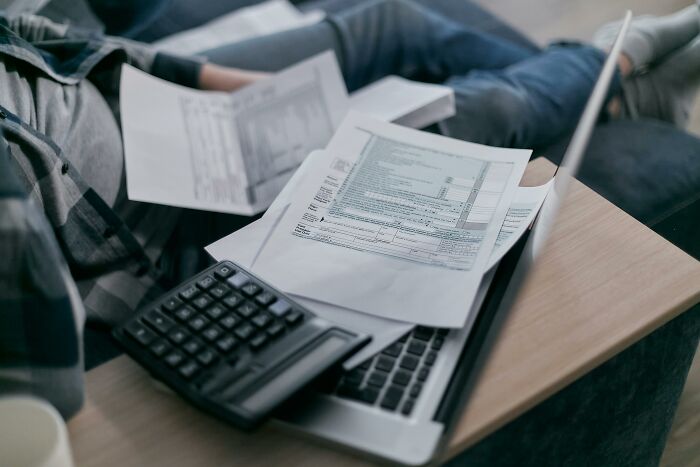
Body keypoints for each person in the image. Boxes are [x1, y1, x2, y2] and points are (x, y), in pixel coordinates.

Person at [0, 0, 698, 419]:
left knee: (388, 21)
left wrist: (213, 85)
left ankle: (601, 89)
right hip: (166, 239)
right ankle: (616, 67)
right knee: (486, 112)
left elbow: (34, 34)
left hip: (163, 116)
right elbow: (48, 396)